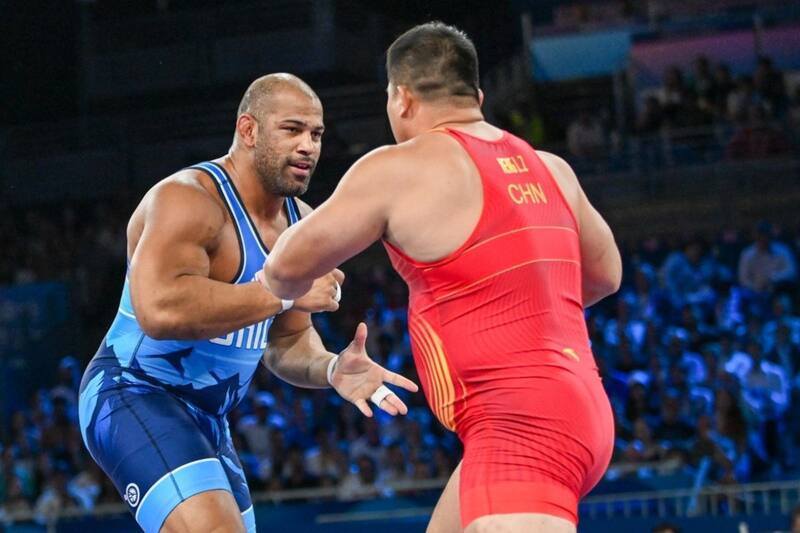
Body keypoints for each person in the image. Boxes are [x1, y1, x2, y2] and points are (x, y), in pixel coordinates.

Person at [262, 23, 621, 533]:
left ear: (402, 98)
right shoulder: (551, 168)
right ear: (477, 98)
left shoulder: (399, 168)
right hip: (574, 408)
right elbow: (605, 276)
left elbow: (282, 270)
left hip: (518, 426)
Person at [77, 73, 417, 533]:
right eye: (292, 129)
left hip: (209, 418)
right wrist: (281, 292)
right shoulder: (187, 199)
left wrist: (331, 368)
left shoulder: (301, 224)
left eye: (316, 134)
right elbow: (159, 311)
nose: (308, 146)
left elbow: (287, 343)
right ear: (248, 130)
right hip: (132, 391)